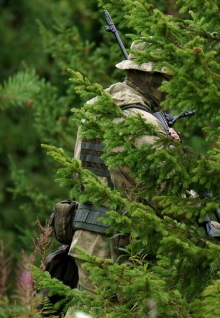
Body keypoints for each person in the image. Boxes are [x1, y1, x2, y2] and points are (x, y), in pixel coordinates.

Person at [68, 40, 179, 294]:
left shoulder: (94, 108)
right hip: (123, 247)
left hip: (85, 237)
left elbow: (79, 171)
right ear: (151, 78)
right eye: (165, 79)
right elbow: (162, 194)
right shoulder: (142, 122)